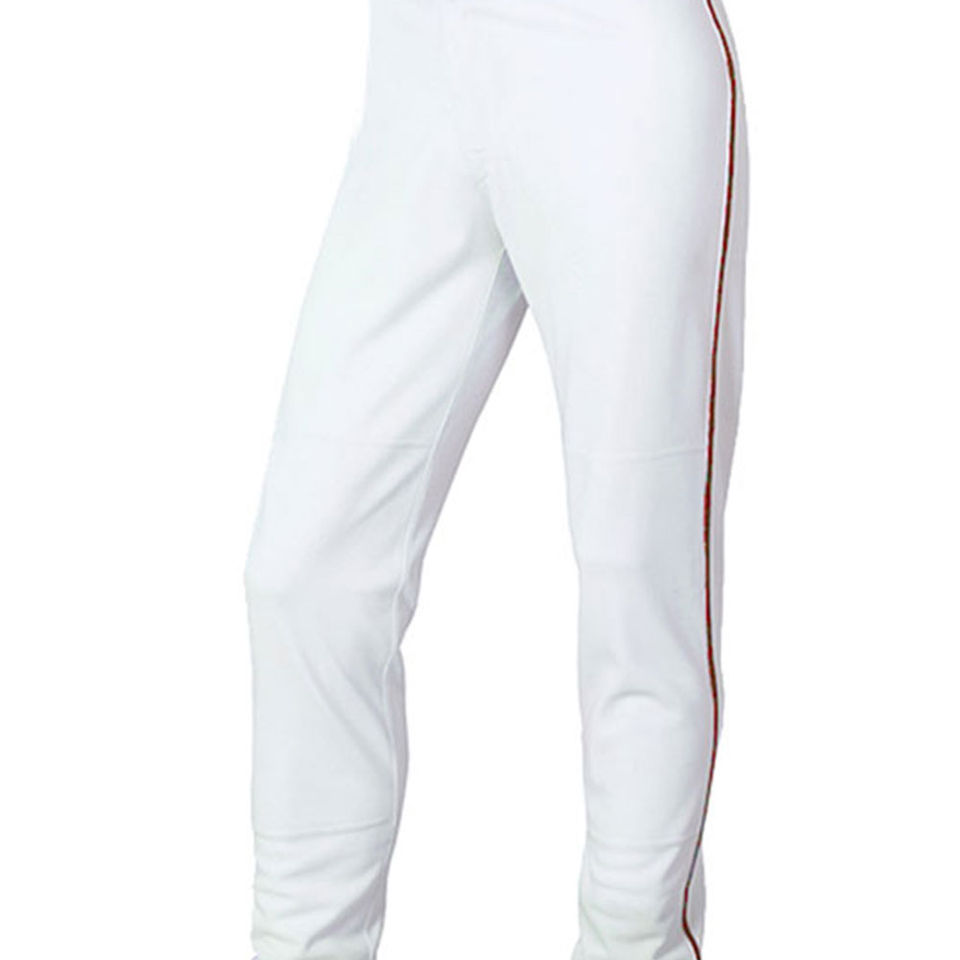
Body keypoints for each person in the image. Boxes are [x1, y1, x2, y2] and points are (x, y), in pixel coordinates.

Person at [244, 0, 748, 957]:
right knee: (305, 574)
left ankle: (632, 943)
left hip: (613, 66)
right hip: (419, 67)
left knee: (637, 580)